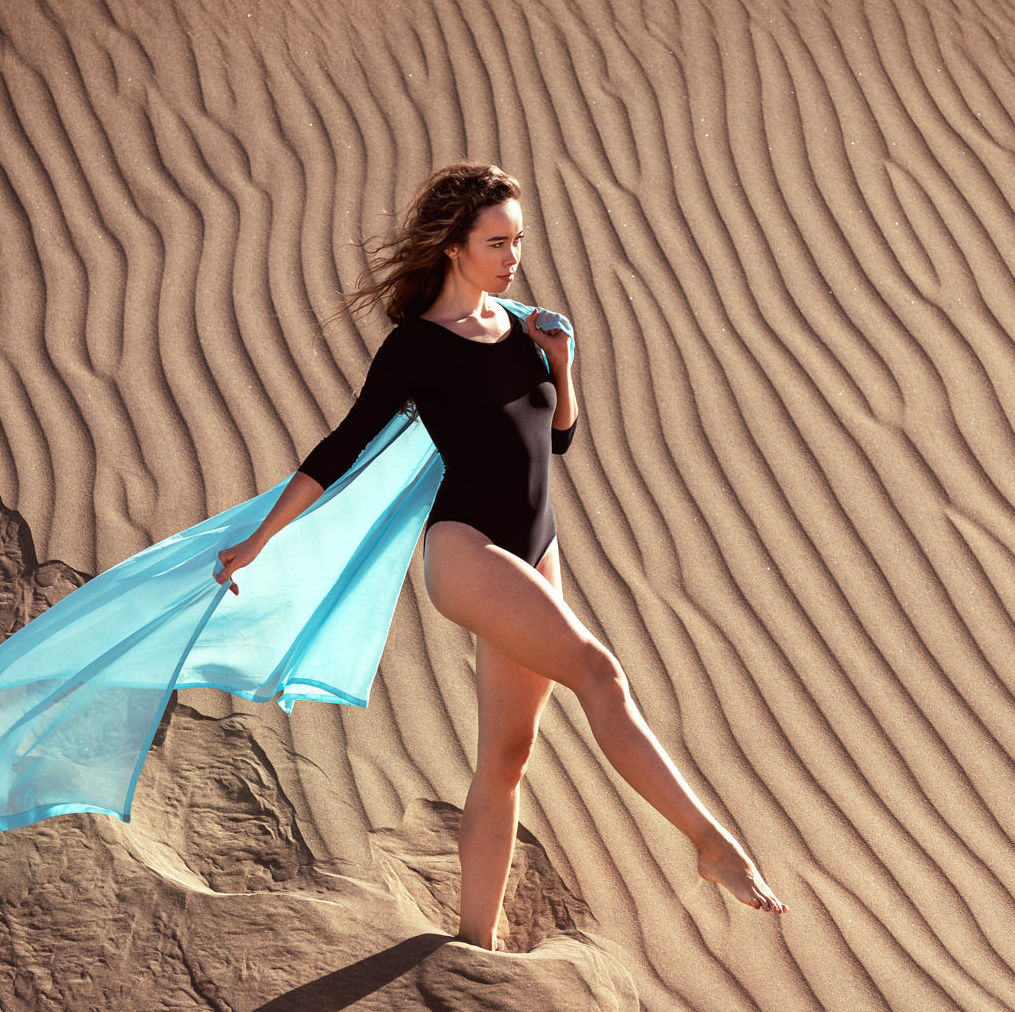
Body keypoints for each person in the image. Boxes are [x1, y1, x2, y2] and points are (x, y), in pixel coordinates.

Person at [212, 163, 785, 950]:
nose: (513, 257)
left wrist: (562, 365)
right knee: (600, 673)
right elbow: (342, 447)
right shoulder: (418, 347)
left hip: (538, 548)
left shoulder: (523, 326)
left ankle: (472, 946)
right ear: (453, 246)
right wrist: (260, 538)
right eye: (496, 243)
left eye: (518, 240)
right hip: (469, 550)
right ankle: (712, 845)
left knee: (508, 756)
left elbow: (557, 441)